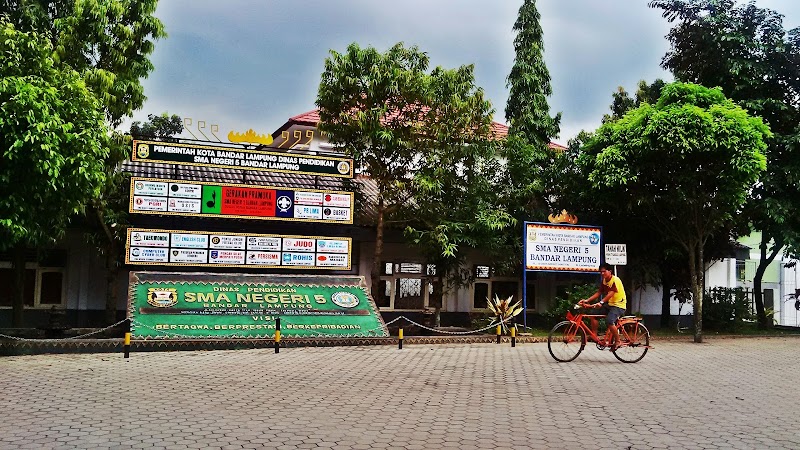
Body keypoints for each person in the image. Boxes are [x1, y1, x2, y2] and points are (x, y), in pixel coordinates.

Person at [579, 262, 627, 349]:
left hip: (619, 305)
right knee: (593, 315)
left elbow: (610, 294)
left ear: (610, 271)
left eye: (604, 271)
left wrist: (601, 302)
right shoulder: (604, 281)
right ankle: (594, 335)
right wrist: (587, 300)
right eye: (601, 272)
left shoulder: (615, 280)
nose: (602, 273)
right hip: (610, 304)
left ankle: (618, 341)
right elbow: (599, 292)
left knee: (609, 321)